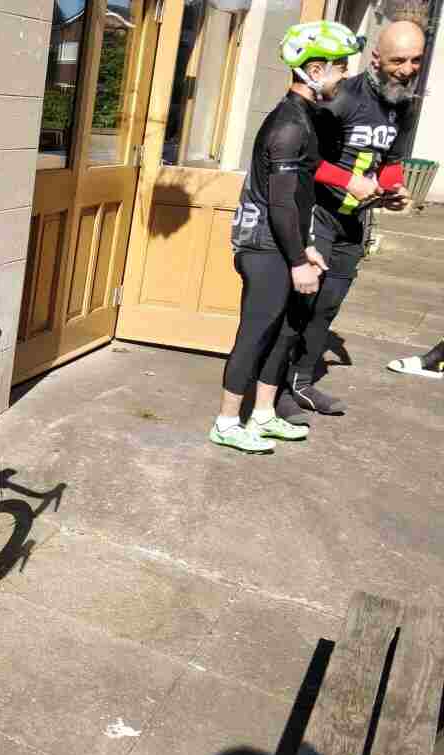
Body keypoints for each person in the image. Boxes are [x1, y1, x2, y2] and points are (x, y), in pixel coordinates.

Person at [211, 22, 361, 453]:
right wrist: (297, 260)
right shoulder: (289, 126)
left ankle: (262, 415)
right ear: (314, 69)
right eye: (339, 69)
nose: (344, 77)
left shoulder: (306, 119)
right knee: (257, 332)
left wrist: (307, 246)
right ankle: (225, 421)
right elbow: (278, 203)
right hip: (263, 245)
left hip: (287, 242)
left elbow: (298, 195)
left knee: (286, 329)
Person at [274, 15, 426, 423]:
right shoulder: (341, 97)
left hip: (354, 224)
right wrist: (347, 181)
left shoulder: (404, 104)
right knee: (300, 305)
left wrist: (393, 191)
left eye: (415, 60)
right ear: (375, 57)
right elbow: (304, 158)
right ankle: (273, 390)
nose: (407, 70)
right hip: (317, 215)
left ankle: (303, 384)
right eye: (398, 61)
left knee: (328, 308)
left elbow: (390, 162)